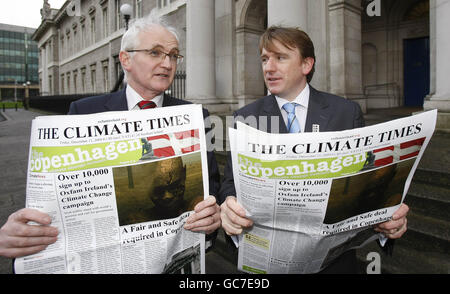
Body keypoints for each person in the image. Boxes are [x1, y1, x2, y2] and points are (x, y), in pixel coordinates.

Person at [0, 12, 221, 259]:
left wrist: (212, 218)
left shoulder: (196, 116)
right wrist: (23, 235)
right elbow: (58, 200)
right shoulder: (83, 112)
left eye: (173, 55)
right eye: (156, 53)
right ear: (126, 59)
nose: (168, 64)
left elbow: (210, 189)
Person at [218, 26, 409, 273]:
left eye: (280, 57)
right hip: (268, 263)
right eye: (265, 59)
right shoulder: (245, 117)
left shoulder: (345, 113)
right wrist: (229, 205)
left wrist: (386, 217)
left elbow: (365, 183)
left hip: (333, 264)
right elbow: (231, 183)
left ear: (306, 65)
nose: (269, 67)